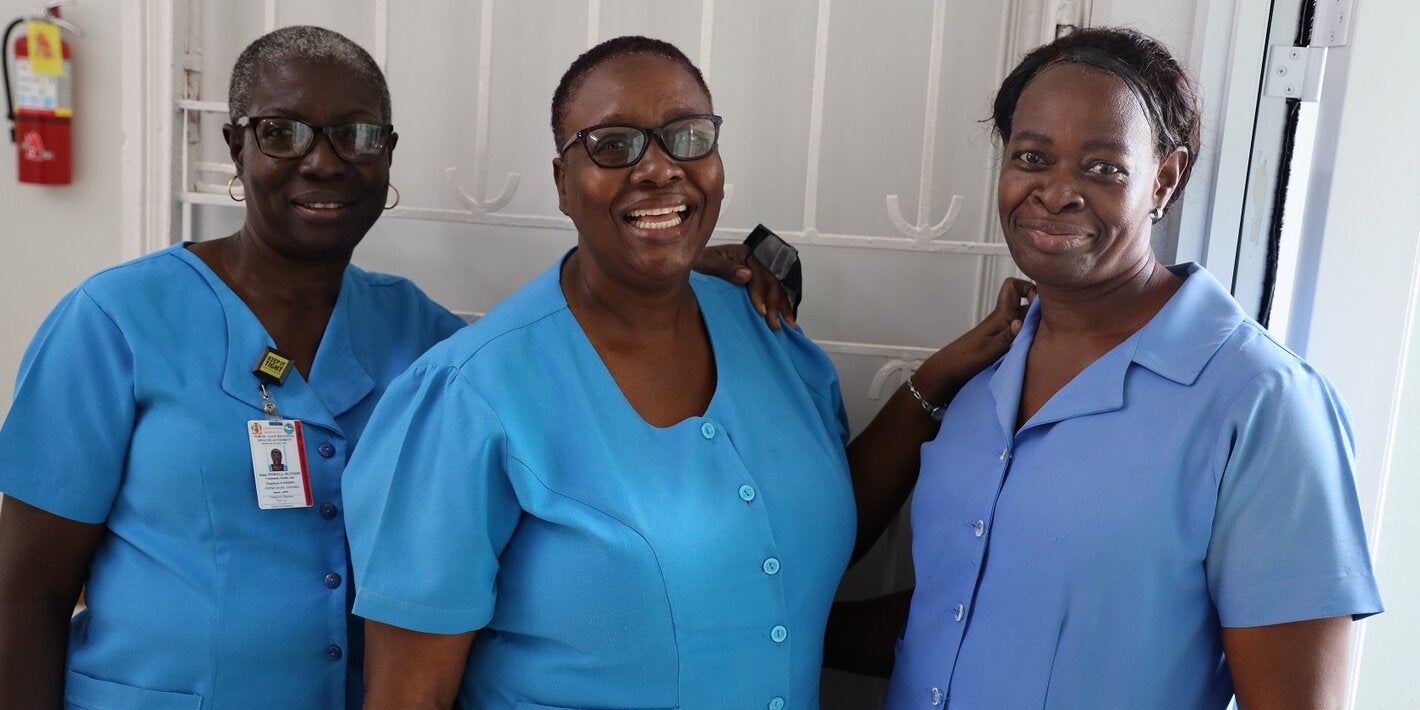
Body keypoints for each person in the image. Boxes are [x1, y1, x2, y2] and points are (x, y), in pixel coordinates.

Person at [0, 26, 779, 710]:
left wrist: (669, 266)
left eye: (357, 135)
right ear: (236, 147)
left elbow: (553, 341)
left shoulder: (422, 336)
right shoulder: (115, 324)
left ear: (388, 154)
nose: (323, 161)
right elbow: (27, 590)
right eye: (282, 132)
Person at [342, 35, 1030, 709]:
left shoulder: (766, 331)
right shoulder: (467, 396)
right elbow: (410, 695)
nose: (659, 168)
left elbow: (800, 537)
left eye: (688, 137)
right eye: (613, 144)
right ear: (562, 182)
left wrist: (939, 378)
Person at [831, 27, 1384, 709]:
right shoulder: (984, 379)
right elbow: (963, 617)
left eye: (1103, 168)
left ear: (1164, 179)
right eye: (1033, 157)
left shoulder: (1261, 403)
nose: (1057, 192)